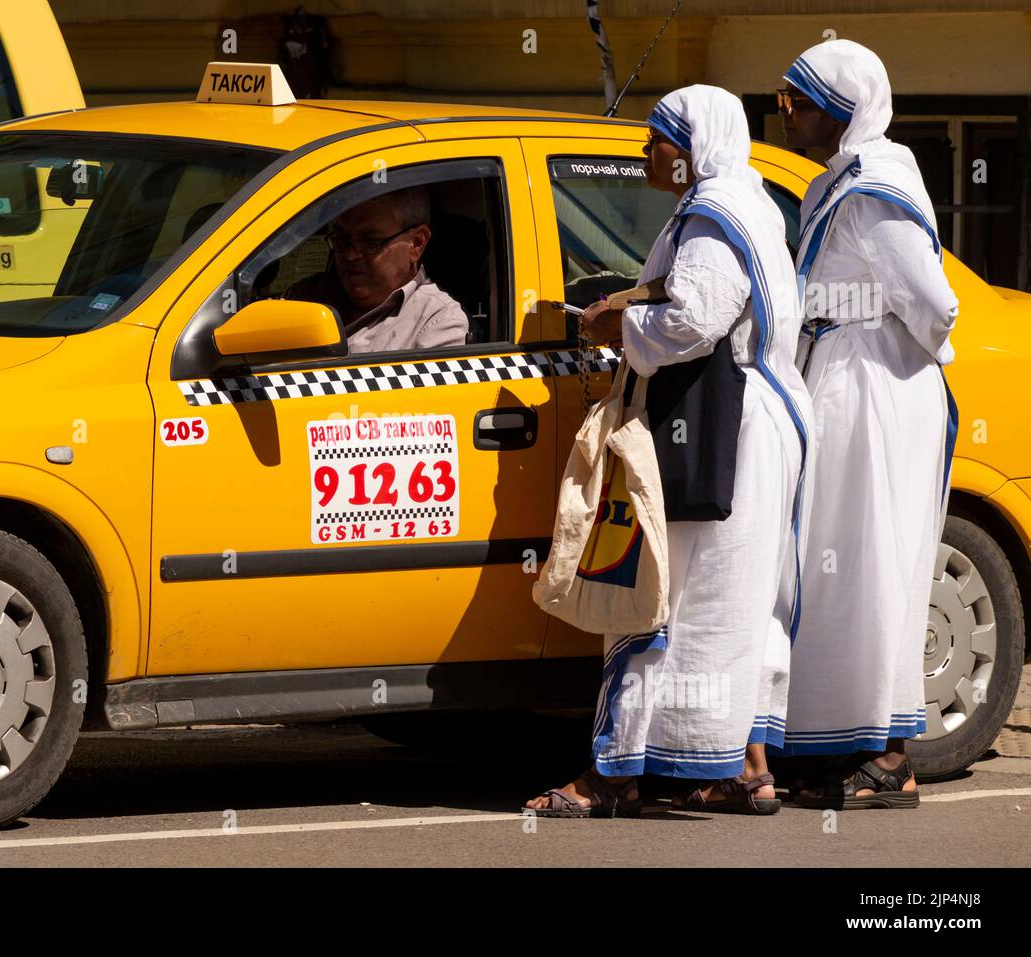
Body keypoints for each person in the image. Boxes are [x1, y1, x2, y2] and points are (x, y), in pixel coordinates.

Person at [524, 85, 812, 817]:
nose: (647, 151)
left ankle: (610, 774)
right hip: (750, 428)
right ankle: (747, 768)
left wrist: (613, 333)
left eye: (660, 139)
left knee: (653, 595)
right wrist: (626, 302)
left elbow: (694, 319)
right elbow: (690, 298)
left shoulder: (714, 217)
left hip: (718, 430)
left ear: (696, 148)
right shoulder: (742, 204)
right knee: (733, 601)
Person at [778, 39, 958, 809]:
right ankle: (841, 739)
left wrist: (854, 321)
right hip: (841, 383)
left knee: (875, 560)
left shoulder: (877, 186)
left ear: (843, 109)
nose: (783, 110)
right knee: (837, 564)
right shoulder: (836, 182)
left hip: (879, 391)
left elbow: (935, 304)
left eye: (799, 98)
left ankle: (889, 756)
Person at [285, 186, 468, 353]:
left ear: (417, 243)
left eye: (370, 242)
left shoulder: (437, 322)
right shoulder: (304, 295)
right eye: (342, 239)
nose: (350, 255)